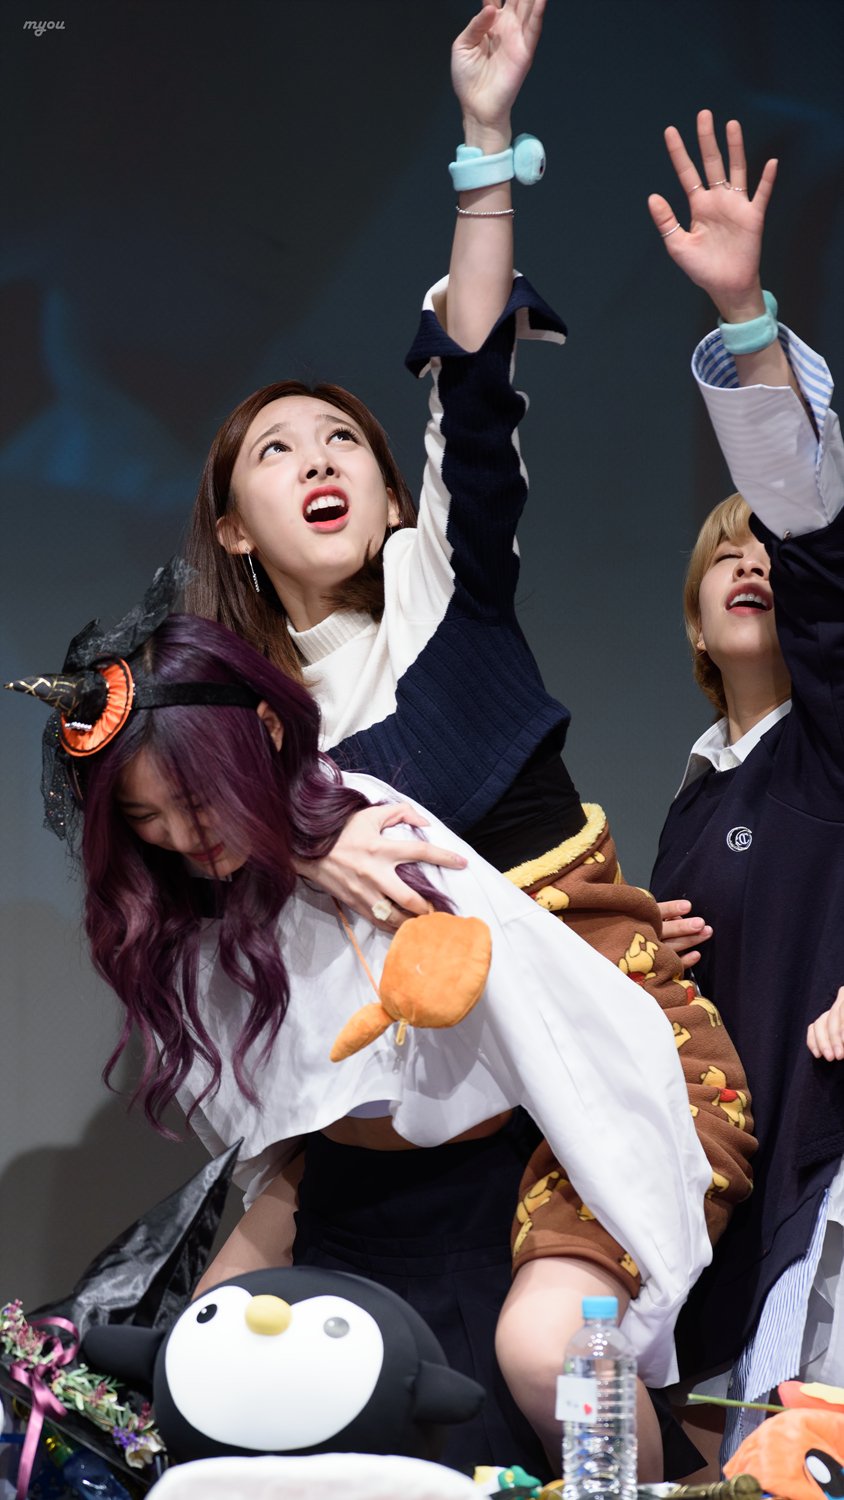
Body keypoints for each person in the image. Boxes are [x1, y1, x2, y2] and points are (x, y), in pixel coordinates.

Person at [183, 6, 755, 1475]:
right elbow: (143, 814)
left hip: (595, 1044)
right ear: (235, 535)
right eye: (275, 451)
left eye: (343, 443)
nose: (318, 460)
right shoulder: (233, 729)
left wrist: (485, 140)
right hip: (389, 1117)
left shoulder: (444, 597)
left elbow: (477, 376)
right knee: (212, 1356)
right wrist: (296, 839)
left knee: (547, 1359)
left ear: (390, 496)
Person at [8, 594, 714, 1476]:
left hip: (477, 1204)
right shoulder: (187, 899)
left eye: (191, 801)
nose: (182, 837)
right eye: (146, 820)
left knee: (532, 1394)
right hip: (336, 1201)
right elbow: (280, 1116)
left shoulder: (372, 831)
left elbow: (548, 1028)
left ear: (267, 731)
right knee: (197, 1386)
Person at [647, 110, 844, 1469]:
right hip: (731, 1200)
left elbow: (814, 539)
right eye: (724, 551)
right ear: (693, 616)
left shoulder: (828, 739)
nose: (751, 563)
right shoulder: (687, 800)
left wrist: (744, 315)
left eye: (761, 547)